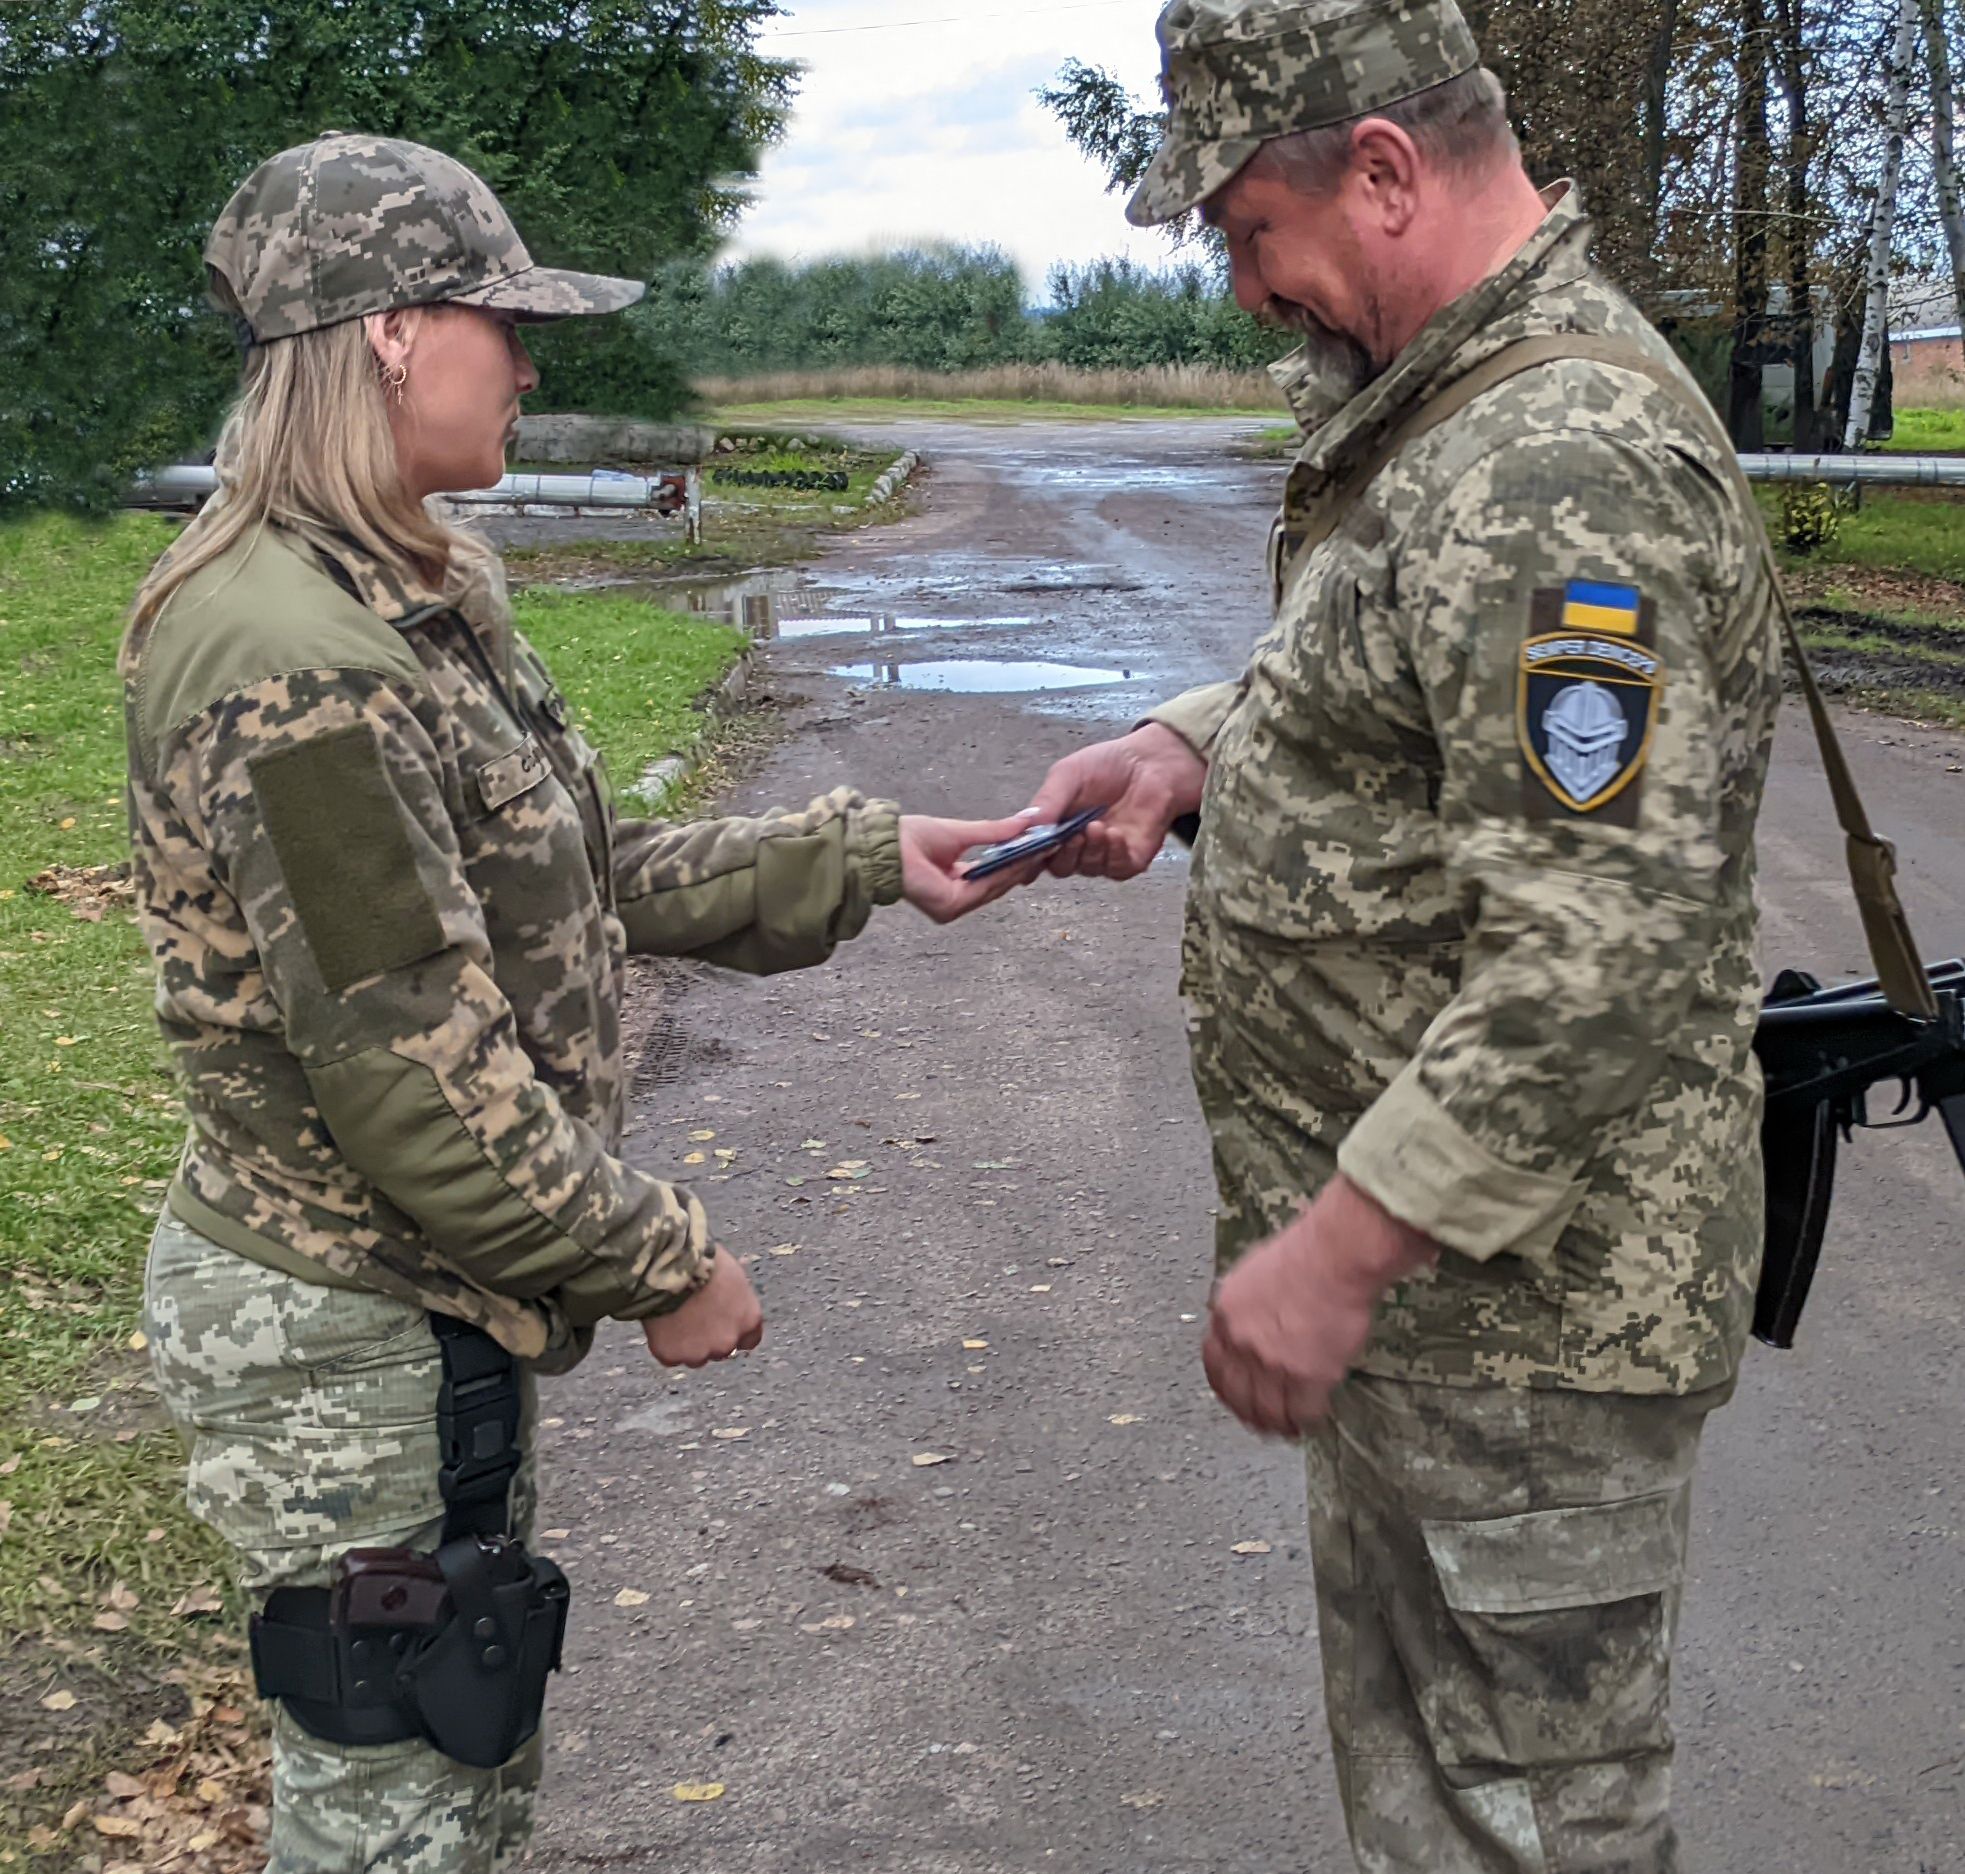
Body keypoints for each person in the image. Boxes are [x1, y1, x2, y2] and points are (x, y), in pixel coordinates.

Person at [127, 132, 1028, 1874]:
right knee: (398, 1815)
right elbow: (414, 1073)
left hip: (421, 1305)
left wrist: (862, 854)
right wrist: (661, 1260)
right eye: (505, 323)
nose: (530, 367)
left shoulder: (405, 593)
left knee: (458, 1780)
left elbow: (565, 881)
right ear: (390, 334)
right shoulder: (294, 654)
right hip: (346, 1325)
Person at [1014, 2, 1783, 1867]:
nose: (1242, 286)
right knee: (1446, 1816)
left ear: (1378, 171)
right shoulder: (1457, 411)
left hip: (1519, 1327)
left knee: (1532, 1826)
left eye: (1246, 231)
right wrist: (1187, 749)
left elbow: (1604, 938)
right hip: (1446, 1322)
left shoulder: (1557, 457)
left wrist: (1343, 1248)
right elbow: (1403, 684)